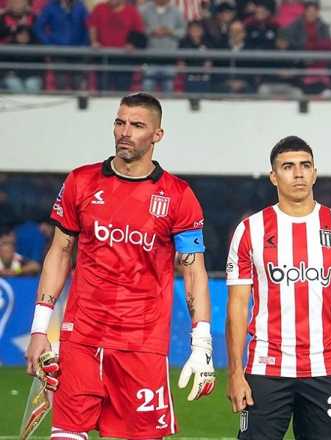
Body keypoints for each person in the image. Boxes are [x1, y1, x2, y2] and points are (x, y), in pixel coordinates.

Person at [25, 92, 216, 439]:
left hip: (141, 344)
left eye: (137, 125)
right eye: (120, 122)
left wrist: (202, 344)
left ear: (157, 135)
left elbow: (193, 271)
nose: (125, 132)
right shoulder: (81, 182)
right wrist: (40, 328)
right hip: (81, 336)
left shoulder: (178, 196)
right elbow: (60, 251)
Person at [224, 136, 331, 439]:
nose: (299, 173)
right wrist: (235, 372)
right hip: (266, 368)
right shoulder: (250, 230)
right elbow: (237, 305)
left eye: (305, 165)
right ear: (273, 177)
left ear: (315, 173)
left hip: (327, 368)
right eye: (288, 167)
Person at [88, 0, 144, 90]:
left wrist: (132, 44)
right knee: (103, 89)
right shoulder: (99, 8)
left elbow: (138, 32)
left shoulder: (132, 11)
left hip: (124, 58)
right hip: (103, 57)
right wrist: (94, 42)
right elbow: (93, 26)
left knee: (122, 90)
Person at [141, 0, 187, 93]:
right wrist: (152, 31)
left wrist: (171, 32)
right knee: (147, 88)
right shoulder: (145, 10)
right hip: (150, 58)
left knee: (168, 89)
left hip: (169, 59)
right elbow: (140, 28)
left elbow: (183, 31)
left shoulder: (176, 12)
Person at [178, 20, 213, 93]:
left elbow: (209, 61)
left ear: (202, 30)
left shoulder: (207, 42)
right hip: (188, 74)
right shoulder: (183, 42)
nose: (195, 32)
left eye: (197, 29)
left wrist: (206, 69)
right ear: (188, 31)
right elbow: (181, 61)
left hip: (203, 74)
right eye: (192, 30)